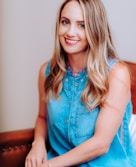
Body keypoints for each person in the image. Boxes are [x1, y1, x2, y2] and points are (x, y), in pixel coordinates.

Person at [25, 0, 136, 166]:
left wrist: (49, 165)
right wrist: (38, 145)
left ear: (95, 29)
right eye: (65, 22)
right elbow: (42, 117)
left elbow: (101, 144)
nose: (70, 32)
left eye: (82, 25)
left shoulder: (116, 74)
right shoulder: (46, 72)